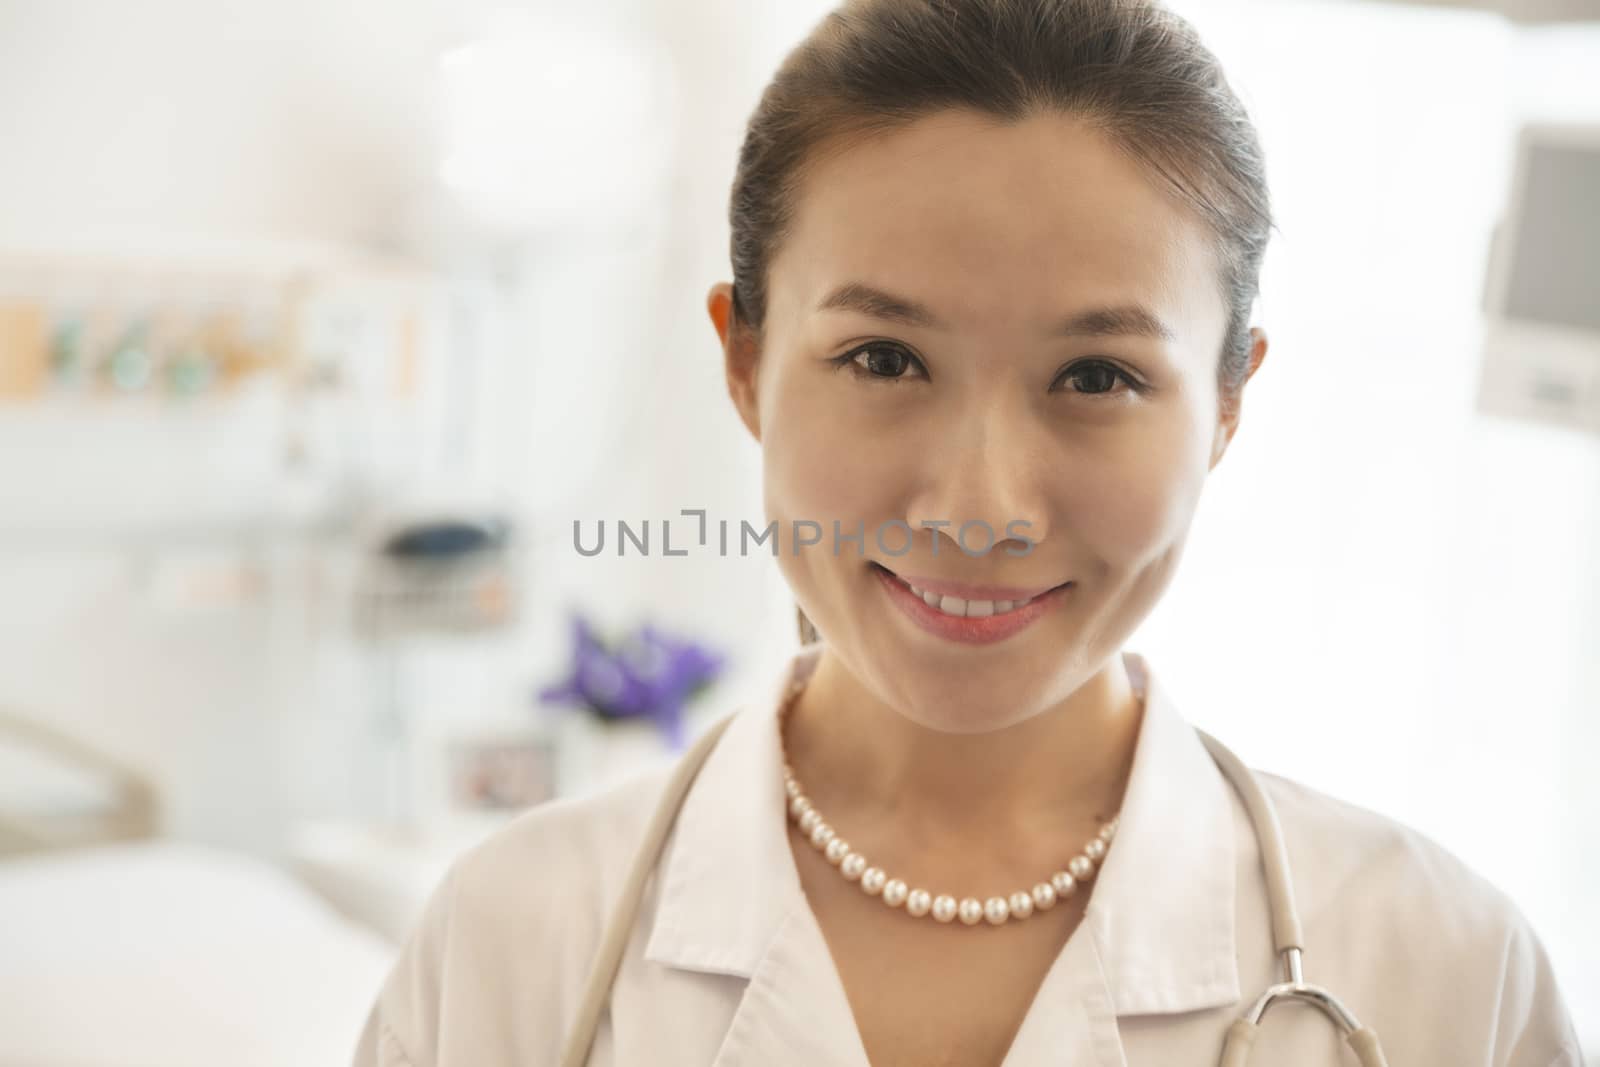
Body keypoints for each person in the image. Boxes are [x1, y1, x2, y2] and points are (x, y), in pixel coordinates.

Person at [352, 1, 1586, 1064]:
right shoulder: (510, 940)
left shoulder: (1441, 968)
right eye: (884, 357)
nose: (978, 508)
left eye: (1096, 375)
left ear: (1223, 403)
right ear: (745, 359)